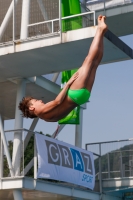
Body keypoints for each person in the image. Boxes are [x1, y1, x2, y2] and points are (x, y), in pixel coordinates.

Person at [19, 15, 107, 122]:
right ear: (32, 108)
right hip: (74, 93)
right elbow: (57, 102)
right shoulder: (41, 111)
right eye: (36, 100)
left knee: (94, 63)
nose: (40, 101)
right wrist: (68, 84)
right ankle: (100, 30)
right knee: (89, 60)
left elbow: (61, 110)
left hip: (81, 98)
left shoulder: (47, 118)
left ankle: (101, 32)